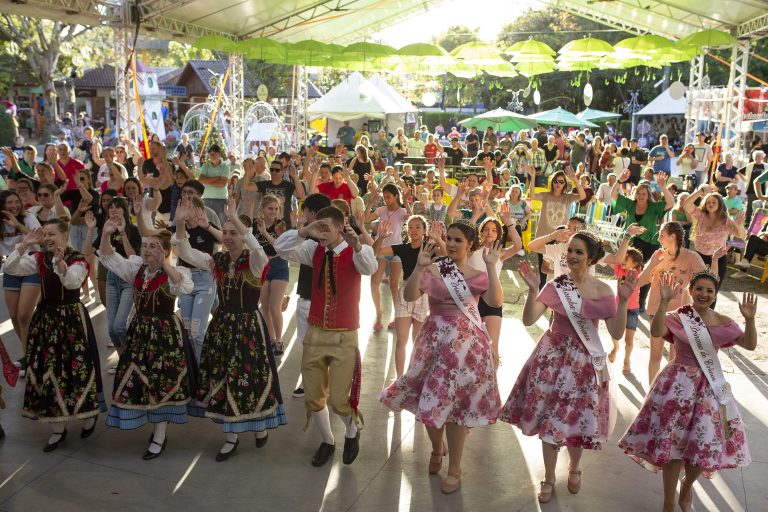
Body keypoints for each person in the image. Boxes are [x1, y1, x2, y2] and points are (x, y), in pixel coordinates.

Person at [499, 232, 637, 503]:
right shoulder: (557, 285)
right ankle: (549, 477)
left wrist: (623, 301)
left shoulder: (604, 291)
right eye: (570, 251)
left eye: (579, 252)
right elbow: (529, 319)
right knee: (549, 420)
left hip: (585, 364)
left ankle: (574, 467)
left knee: (576, 419)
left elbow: (617, 332)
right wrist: (532, 290)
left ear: (591, 258)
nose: (572, 256)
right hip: (552, 359)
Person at [379, 223, 503, 495]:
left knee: (456, 410)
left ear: (470, 244)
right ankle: (437, 448)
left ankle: (454, 469)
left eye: (459, 240)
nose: (453, 244)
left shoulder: (478, 274)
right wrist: (419, 267)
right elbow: (409, 295)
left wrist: (492, 267)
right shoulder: (434, 269)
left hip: (467, 347)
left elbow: (494, 301)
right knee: (431, 402)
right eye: (450, 239)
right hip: (434, 341)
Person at [619, 270, 755, 512]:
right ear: (690, 291)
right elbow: (656, 331)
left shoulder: (723, 322)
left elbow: (750, 344)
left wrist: (750, 320)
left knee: (702, 446)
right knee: (673, 446)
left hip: (709, 389)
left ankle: (688, 484)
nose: (704, 294)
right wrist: (663, 301)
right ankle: (668, 502)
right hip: (677, 386)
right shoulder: (680, 317)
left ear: (715, 295)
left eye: (709, 290)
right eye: (699, 288)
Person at [177, 198, 286, 460]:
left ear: (243, 235)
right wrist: (180, 223)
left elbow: (257, 247)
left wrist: (236, 218)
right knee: (226, 377)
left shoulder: (255, 260)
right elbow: (187, 254)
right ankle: (231, 436)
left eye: (233, 233)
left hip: (248, 327)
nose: (227, 237)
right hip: (223, 326)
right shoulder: (218, 260)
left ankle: (257, 425)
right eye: (224, 232)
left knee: (250, 378)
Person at [274, 206, 377, 467]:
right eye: (318, 227)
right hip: (316, 332)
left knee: (339, 400)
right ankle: (328, 441)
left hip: (344, 335)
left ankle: (352, 431)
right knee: (313, 396)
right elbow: (280, 248)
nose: (320, 233)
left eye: (325, 228)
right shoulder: (313, 249)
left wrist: (357, 245)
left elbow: (370, 267)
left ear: (340, 228)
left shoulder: (356, 252)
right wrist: (304, 230)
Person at [3, 219, 104, 451]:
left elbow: (72, 283)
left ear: (65, 235)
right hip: (46, 319)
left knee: (75, 369)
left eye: (52, 234)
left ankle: (88, 415)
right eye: (45, 234)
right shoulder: (39, 258)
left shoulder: (78, 259)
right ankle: (58, 428)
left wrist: (61, 265)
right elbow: (10, 268)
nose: (47, 238)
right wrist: (24, 244)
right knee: (47, 370)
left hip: (70, 320)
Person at [99, 227, 195, 460]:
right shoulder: (137, 269)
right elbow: (109, 257)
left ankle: (160, 436)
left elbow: (182, 286)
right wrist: (105, 233)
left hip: (164, 334)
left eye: (154, 246)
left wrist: (165, 264)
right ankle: (151, 424)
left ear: (166, 251)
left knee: (162, 382)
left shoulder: (176, 271)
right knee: (140, 380)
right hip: (140, 332)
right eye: (146, 246)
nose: (147, 250)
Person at [636, 221, 712, 384]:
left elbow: (707, 281)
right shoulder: (658, 256)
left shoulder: (692, 257)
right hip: (657, 311)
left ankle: (670, 392)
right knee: (655, 356)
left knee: (675, 359)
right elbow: (639, 282)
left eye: (661, 235)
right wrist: (652, 264)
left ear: (673, 236)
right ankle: (652, 391)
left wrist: (697, 303)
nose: (658, 239)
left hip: (680, 315)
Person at [374, 215, 434, 377]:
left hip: (424, 294)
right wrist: (381, 237)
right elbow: (376, 251)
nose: (413, 230)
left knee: (418, 341)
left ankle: (414, 377)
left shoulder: (430, 249)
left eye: (418, 227)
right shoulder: (402, 248)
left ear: (424, 230)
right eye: (410, 227)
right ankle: (399, 379)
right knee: (401, 340)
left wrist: (438, 239)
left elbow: (447, 255)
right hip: (405, 294)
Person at [0, 189, 41, 375]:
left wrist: (17, 225)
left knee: (24, 316)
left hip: (31, 267)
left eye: (16, 202)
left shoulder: (29, 217)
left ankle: (31, 359)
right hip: (10, 268)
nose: (14, 205)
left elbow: (41, 238)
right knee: (14, 316)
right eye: (9, 202)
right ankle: (29, 355)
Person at [473, 212, 523, 360]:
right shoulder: (471, 251)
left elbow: (518, 246)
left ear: (498, 234)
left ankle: (492, 374)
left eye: (494, 230)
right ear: (481, 231)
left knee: (492, 348)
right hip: (472, 299)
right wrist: (475, 216)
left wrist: (509, 222)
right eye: (486, 229)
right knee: (472, 345)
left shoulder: (500, 253)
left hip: (493, 300)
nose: (490, 232)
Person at [683, 185, 746, 300]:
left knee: (712, 291)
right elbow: (687, 204)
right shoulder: (701, 216)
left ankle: (709, 312)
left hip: (718, 259)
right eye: (708, 202)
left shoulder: (725, 220)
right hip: (699, 257)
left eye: (714, 202)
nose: (710, 204)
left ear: (719, 204)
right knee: (695, 290)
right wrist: (701, 191)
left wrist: (738, 225)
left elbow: (742, 235)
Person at [529, 166, 586, 288]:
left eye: (561, 181)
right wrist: (533, 177)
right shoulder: (546, 195)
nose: (558, 184)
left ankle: (559, 290)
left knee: (560, 267)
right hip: (544, 237)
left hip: (561, 238)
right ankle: (543, 293)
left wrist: (574, 179)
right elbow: (532, 195)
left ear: (565, 184)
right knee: (543, 271)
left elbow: (582, 196)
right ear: (552, 182)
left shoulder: (568, 197)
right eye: (555, 181)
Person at [365, 183, 409, 331]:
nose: (386, 199)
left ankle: (396, 317)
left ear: (396, 196)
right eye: (384, 197)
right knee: (374, 283)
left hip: (396, 251)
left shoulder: (402, 211)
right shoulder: (381, 209)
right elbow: (366, 219)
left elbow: (411, 218)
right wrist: (370, 202)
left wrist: (407, 201)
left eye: (388, 196)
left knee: (393, 285)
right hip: (382, 250)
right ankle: (378, 316)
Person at [253, 194, 291, 355]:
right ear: (262, 209)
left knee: (275, 307)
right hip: (262, 267)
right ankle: (271, 339)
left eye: (276, 208)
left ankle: (279, 340)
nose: (273, 211)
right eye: (270, 208)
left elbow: (279, 248)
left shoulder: (281, 226)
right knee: (265, 307)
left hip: (279, 265)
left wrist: (265, 233)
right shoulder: (255, 225)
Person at [609, 247, 644, 375]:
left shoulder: (639, 273)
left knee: (629, 339)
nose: (622, 260)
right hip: (618, 307)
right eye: (623, 257)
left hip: (633, 309)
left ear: (635, 263)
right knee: (615, 335)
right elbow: (612, 259)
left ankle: (626, 361)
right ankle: (615, 347)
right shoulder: (619, 269)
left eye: (626, 258)